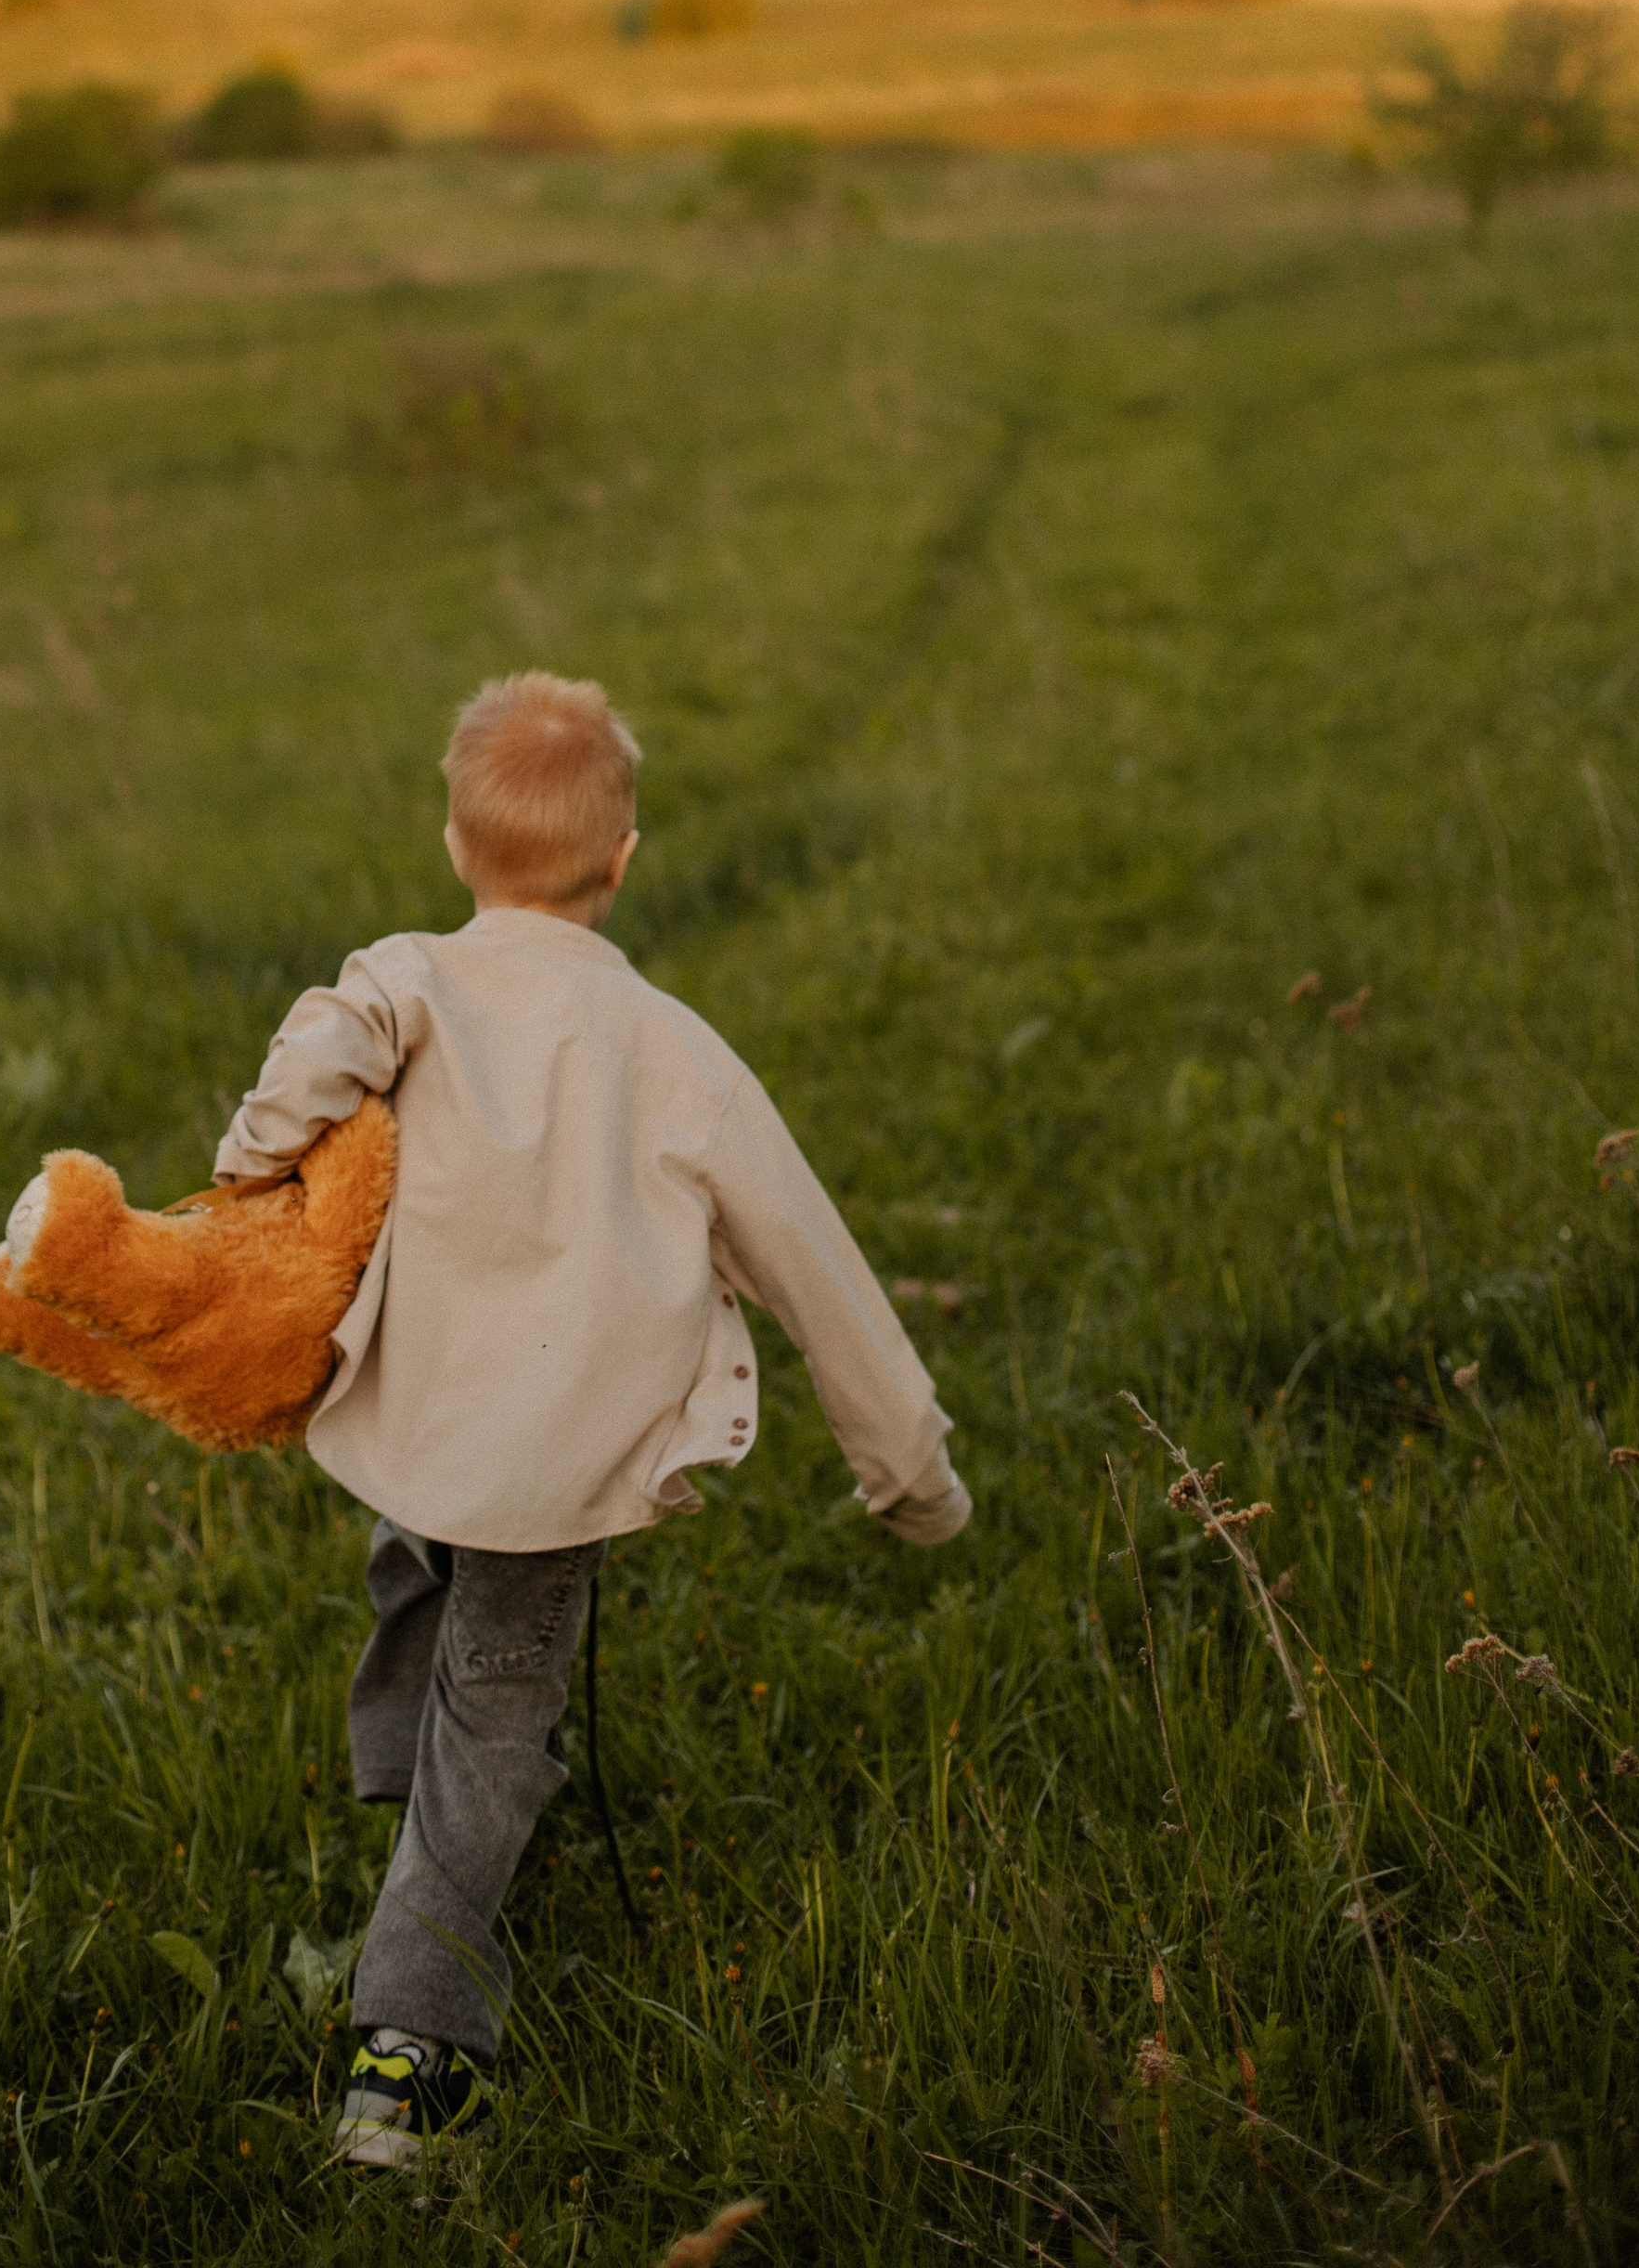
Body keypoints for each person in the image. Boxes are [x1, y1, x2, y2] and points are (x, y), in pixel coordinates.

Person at [208, 669, 971, 2172]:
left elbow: (318, 1054)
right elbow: (817, 1267)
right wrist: (911, 1473)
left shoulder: (403, 982)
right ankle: (408, 2059)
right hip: (550, 1461)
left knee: (431, 1590)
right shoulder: (673, 1049)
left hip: (419, 1426)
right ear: (623, 861)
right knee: (501, 1711)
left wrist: (250, 1162)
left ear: (453, 843)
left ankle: (425, 1825)